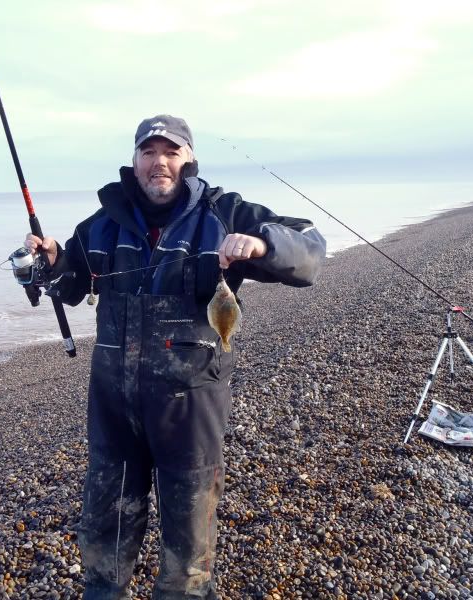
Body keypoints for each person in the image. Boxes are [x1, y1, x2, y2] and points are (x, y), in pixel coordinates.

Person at [24, 115, 326, 598]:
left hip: (191, 406)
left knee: (188, 542)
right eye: (149, 152)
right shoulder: (102, 225)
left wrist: (263, 244)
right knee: (104, 530)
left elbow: (310, 251)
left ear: (188, 161)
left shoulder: (224, 213)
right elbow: (74, 286)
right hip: (113, 408)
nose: (159, 162)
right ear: (135, 161)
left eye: (171, 152)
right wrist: (53, 261)